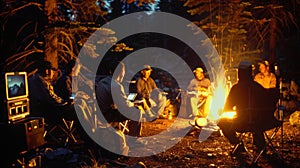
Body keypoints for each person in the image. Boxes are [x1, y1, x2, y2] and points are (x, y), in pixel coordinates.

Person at [218, 61, 280, 156]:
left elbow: (227, 108)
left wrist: (236, 111)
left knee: (221, 122)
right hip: (263, 122)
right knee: (256, 117)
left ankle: (237, 143)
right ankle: (260, 145)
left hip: (243, 122)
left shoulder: (236, 89)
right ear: (250, 73)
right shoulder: (258, 87)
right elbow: (268, 102)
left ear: (240, 73)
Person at [96, 62, 149, 137]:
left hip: (99, 113)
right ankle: (133, 138)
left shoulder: (102, 82)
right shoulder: (116, 85)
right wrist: (134, 103)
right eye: (122, 72)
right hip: (109, 115)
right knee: (137, 110)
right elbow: (125, 105)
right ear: (122, 72)